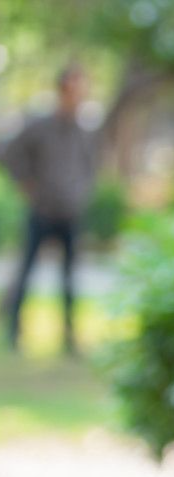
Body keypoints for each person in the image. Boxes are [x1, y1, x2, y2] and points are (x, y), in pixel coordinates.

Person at [1, 64, 98, 355]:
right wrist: (26, 184)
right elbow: (9, 153)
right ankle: (13, 331)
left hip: (70, 212)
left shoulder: (82, 130)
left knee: (69, 277)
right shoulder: (40, 126)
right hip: (42, 209)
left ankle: (68, 337)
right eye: (73, 88)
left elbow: (90, 167)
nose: (78, 95)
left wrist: (82, 193)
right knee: (27, 271)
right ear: (62, 90)